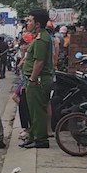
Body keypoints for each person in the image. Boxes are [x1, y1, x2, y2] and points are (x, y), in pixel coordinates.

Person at [20, 9, 55, 149]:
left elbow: (39, 62)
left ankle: (41, 139)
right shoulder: (38, 36)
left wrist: (33, 79)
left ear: (37, 24)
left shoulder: (42, 39)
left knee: (38, 111)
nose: (27, 23)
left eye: (30, 20)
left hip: (38, 80)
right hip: (34, 79)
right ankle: (33, 136)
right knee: (32, 110)